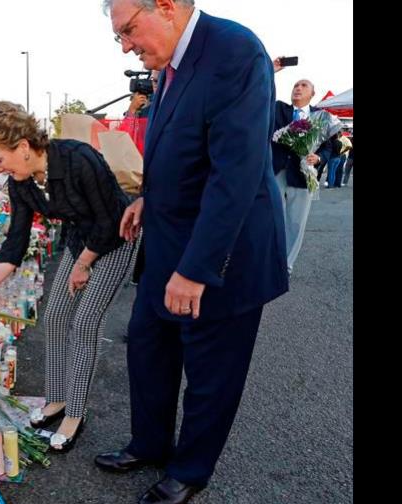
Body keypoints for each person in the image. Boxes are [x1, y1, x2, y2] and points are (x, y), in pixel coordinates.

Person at [95, 2, 289, 503]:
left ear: (164, 6)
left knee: (211, 373)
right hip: (167, 240)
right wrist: (147, 198)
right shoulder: (171, 64)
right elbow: (182, 151)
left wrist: (197, 270)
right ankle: (149, 443)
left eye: (129, 31)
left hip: (223, 253)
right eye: (120, 37)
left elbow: (234, 174)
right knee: (147, 346)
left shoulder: (234, 51)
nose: (126, 46)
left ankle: (190, 470)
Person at [0, 100, 137, 453]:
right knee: (55, 317)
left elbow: (108, 221)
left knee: (85, 323)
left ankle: (75, 414)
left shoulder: (78, 158)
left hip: (117, 237)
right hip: (80, 241)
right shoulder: (22, 183)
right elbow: (15, 242)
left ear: (23, 146)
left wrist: (83, 265)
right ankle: (57, 399)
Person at [268, 75, 333, 276]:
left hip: (303, 176)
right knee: (270, 218)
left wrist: (318, 157)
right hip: (276, 171)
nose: (298, 88)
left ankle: (285, 266)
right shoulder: (278, 108)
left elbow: (328, 147)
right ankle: (268, 261)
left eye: (304, 85)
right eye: (296, 85)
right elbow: (263, 96)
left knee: (296, 223)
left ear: (312, 93)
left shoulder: (322, 117)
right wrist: (271, 72)